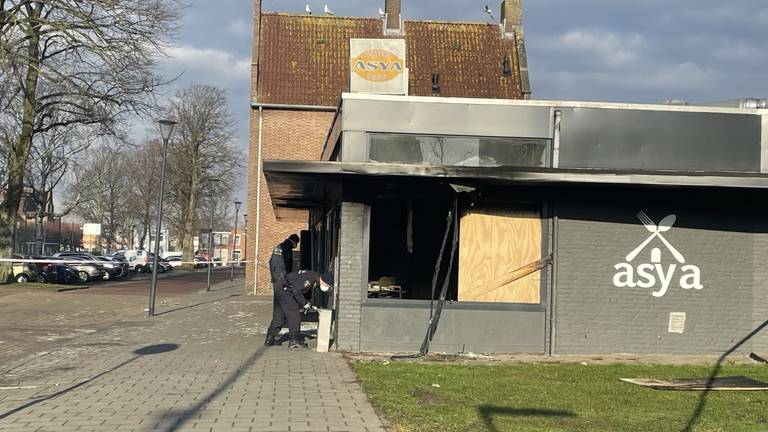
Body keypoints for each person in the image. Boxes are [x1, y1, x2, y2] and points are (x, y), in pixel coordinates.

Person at [265, 270, 334, 348]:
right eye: (327, 285)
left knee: (279, 316)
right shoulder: (311, 279)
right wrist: (304, 303)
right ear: (323, 280)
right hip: (286, 291)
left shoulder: (313, 276)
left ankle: (270, 338)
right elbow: (296, 290)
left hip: (281, 287)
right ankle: (294, 341)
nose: (327, 287)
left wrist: (308, 303)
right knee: (294, 315)